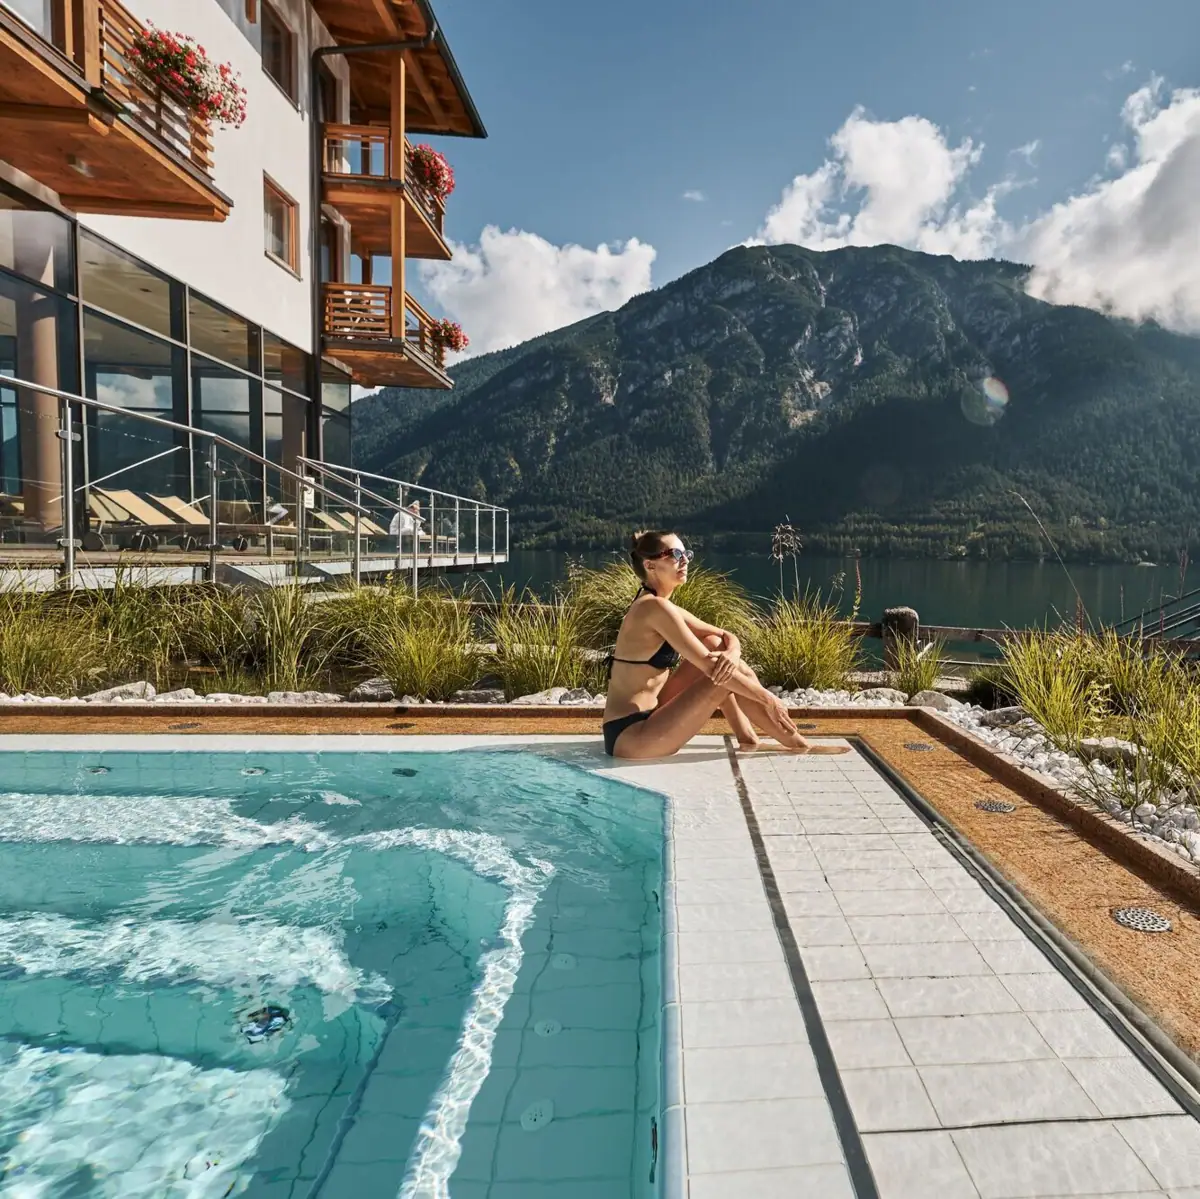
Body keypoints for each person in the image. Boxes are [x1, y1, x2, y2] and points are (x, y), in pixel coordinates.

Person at [601, 530, 852, 759]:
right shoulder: (653, 608)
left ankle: (748, 739)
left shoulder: (658, 602)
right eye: (675, 554)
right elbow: (710, 667)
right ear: (650, 565)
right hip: (632, 735)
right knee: (722, 673)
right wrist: (768, 699)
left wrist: (733, 651)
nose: (685, 560)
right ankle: (800, 745)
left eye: (686, 553)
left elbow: (723, 635)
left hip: (652, 715)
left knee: (717, 648)